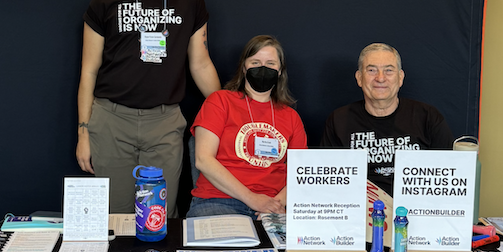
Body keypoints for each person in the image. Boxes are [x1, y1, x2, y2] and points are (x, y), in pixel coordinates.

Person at [76, 0, 220, 216]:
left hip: (164, 123)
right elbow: (89, 71)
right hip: (111, 122)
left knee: (158, 217)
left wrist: (226, 109)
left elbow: (200, 63)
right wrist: (83, 133)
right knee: (115, 219)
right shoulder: (105, 0)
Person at [187, 35, 307, 219]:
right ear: (244, 68)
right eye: (255, 62)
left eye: (270, 63)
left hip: (273, 205)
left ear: (280, 70)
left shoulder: (291, 117)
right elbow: (203, 159)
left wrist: (276, 204)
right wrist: (252, 199)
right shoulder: (220, 101)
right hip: (219, 201)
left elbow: (302, 172)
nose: (263, 68)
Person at [321, 43, 454, 195]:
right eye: (371, 70)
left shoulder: (428, 117)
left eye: (388, 70)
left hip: (415, 209)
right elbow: (329, 182)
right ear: (359, 78)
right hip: (357, 210)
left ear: (400, 77)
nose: (380, 78)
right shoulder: (338, 120)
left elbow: (449, 175)